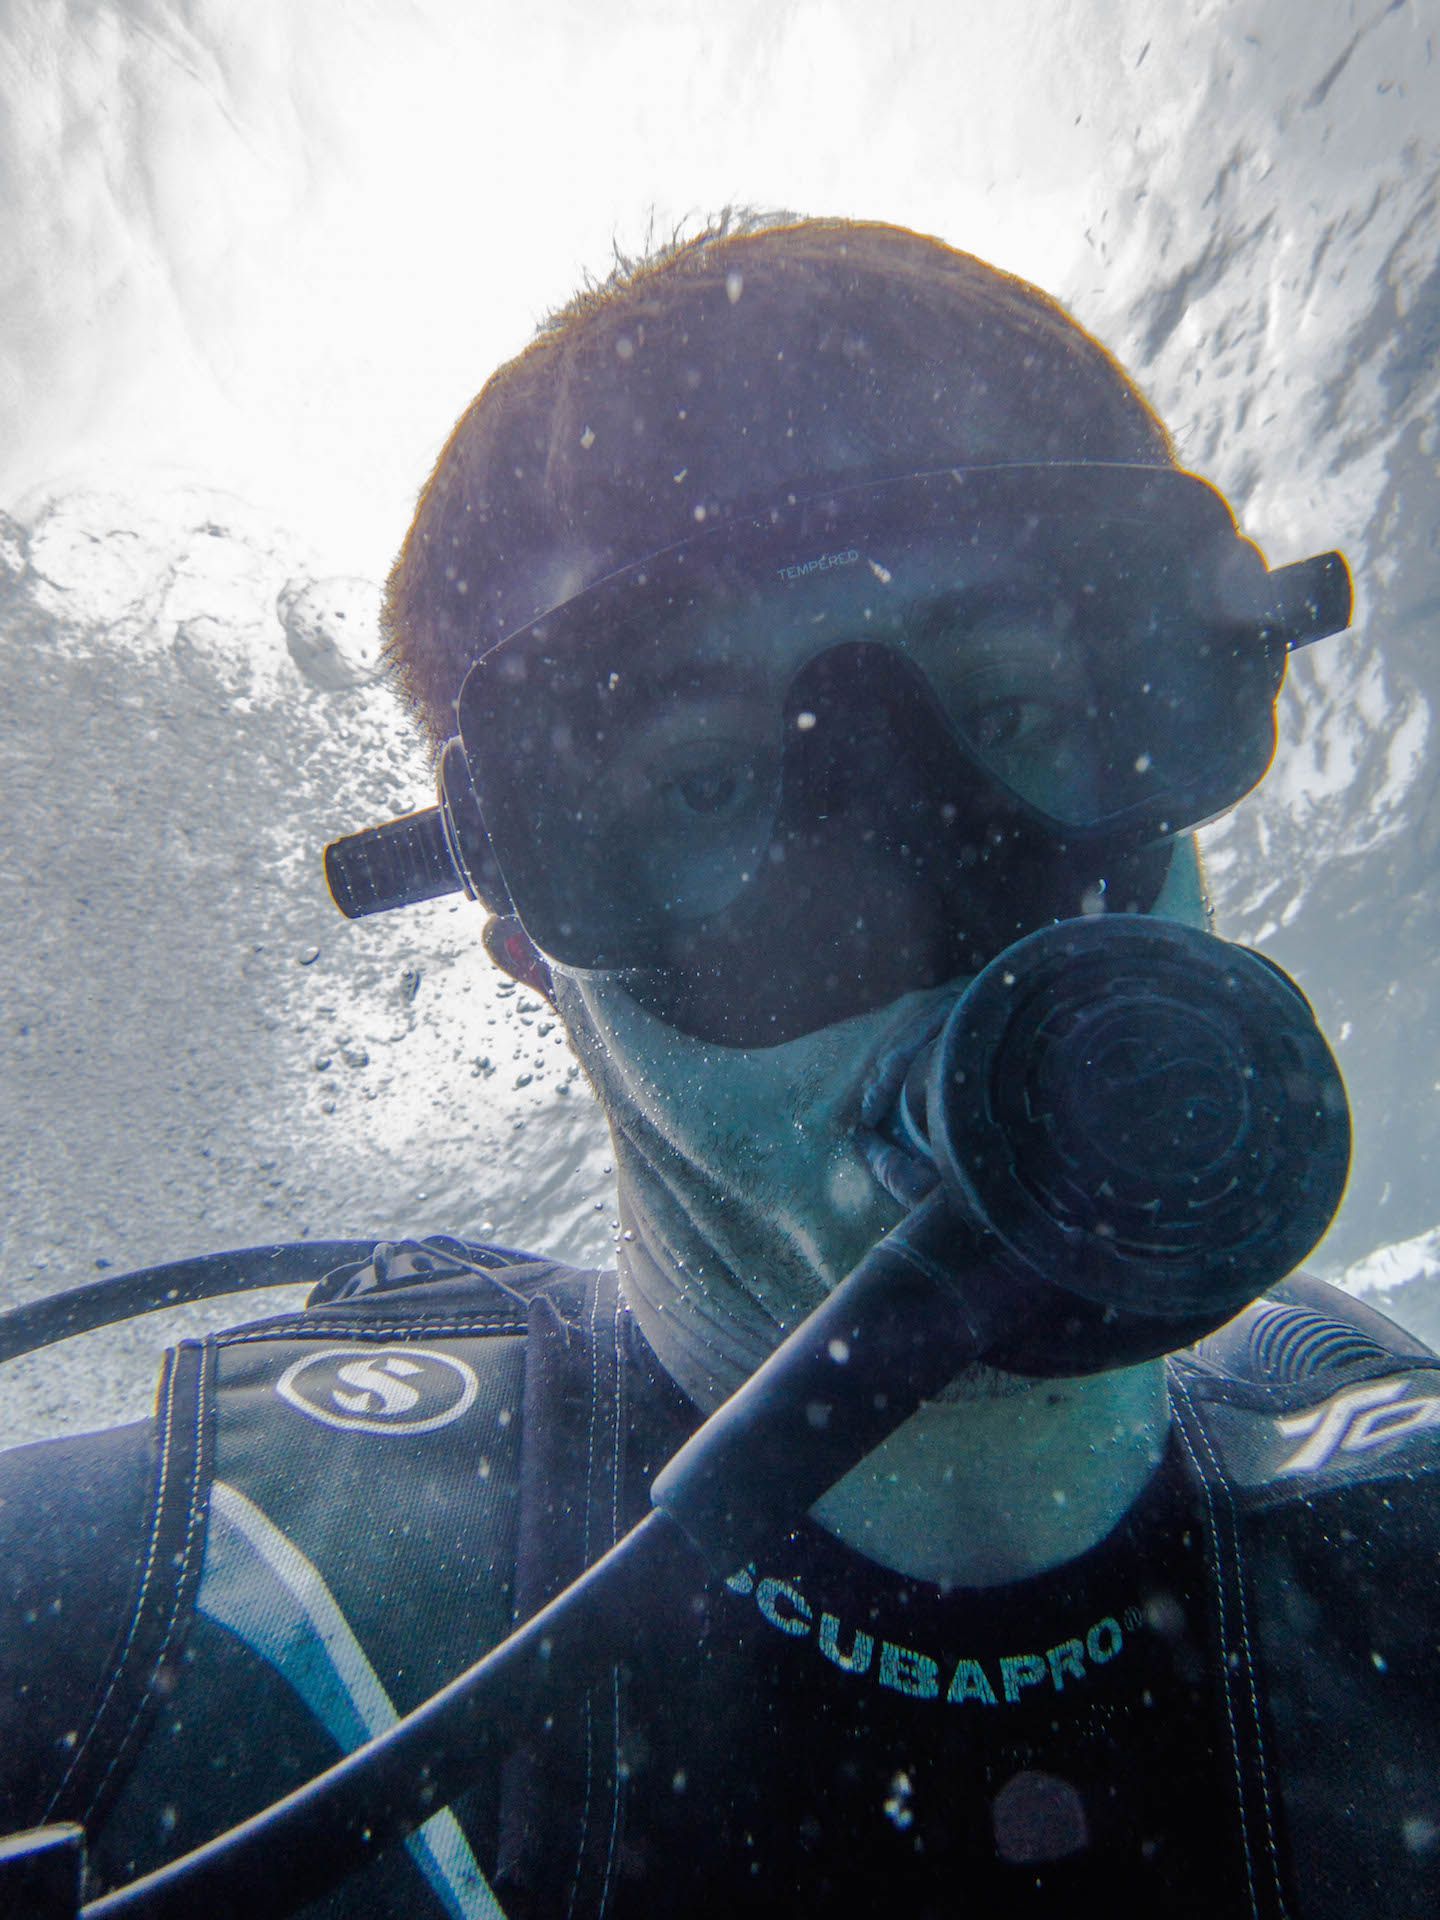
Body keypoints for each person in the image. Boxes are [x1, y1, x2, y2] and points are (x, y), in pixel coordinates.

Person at [1, 214, 1437, 1920]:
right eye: (703, 785)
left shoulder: (1396, 1501)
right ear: (530, 934)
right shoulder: (181, 1617)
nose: (937, 896)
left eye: (1026, 703)